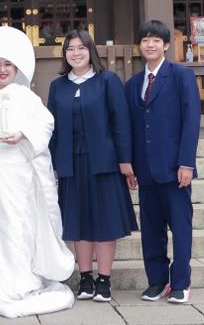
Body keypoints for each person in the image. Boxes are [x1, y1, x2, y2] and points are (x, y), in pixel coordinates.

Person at [0, 25, 75, 318]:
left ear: (16, 68)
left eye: (7, 65)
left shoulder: (27, 98)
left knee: (17, 225)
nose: (2, 70)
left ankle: (21, 279)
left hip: (17, 173)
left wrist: (23, 134)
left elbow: (45, 124)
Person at [46, 29, 137, 303]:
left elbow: (121, 123)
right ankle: (85, 278)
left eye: (81, 48)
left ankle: (104, 280)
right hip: (70, 164)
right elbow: (52, 128)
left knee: (104, 222)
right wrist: (52, 163)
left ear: (91, 51)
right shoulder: (57, 86)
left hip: (104, 164)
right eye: (70, 49)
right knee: (78, 222)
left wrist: (125, 161)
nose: (76, 53)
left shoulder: (107, 81)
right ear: (65, 54)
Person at [124, 19, 200, 304]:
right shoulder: (133, 84)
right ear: (139, 46)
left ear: (166, 45)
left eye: (156, 40)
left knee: (180, 227)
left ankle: (180, 282)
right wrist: (129, 164)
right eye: (145, 40)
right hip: (145, 169)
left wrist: (186, 163)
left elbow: (191, 121)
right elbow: (131, 126)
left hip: (174, 168)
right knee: (152, 229)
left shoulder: (180, 75)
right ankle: (157, 280)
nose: (151, 44)